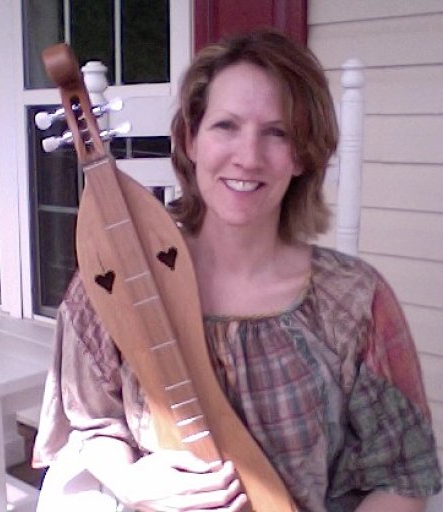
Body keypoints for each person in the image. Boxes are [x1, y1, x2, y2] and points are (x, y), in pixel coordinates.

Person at [33, 28, 441, 512]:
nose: (248, 157)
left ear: (303, 155)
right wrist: (130, 482)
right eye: (226, 126)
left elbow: (400, 480)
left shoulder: (353, 300)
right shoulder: (114, 284)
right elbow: (93, 423)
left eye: (278, 132)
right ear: (191, 140)